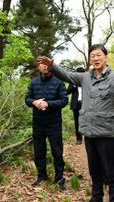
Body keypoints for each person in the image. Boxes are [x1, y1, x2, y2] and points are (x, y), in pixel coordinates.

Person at [37, 44, 114, 202]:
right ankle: (97, 199)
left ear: (106, 57)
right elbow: (66, 75)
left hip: (107, 132)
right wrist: (52, 65)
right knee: (94, 169)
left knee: (111, 171)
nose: (95, 58)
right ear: (89, 59)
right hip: (89, 131)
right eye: (92, 55)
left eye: (99, 55)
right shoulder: (85, 77)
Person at [25, 61, 68, 191]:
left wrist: (48, 104)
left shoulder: (59, 82)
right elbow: (27, 99)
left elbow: (64, 100)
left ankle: (59, 178)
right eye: (41, 64)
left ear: (50, 65)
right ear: (39, 66)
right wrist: (35, 102)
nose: (44, 66)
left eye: (46, 64)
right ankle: (41, 176)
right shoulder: (34, 82)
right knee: (39, 151)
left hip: (53, 122)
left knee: (57, 151)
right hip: (38, 123)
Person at [67, 67, 85, 145]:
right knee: (77, 122)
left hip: (86, 104)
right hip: (76, 104)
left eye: (81, 74)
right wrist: (74, 86)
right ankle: (79, 139)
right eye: (78, 74)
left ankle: (88, 137)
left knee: (87, 121)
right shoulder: (72, 82)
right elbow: (67, 92)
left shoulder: (87, 81)